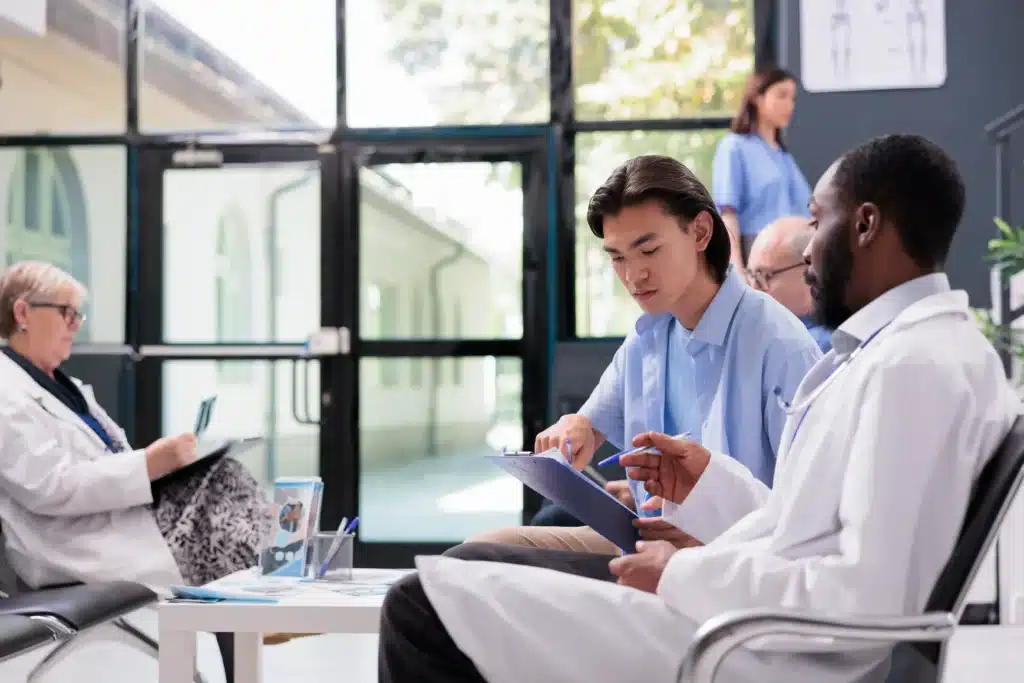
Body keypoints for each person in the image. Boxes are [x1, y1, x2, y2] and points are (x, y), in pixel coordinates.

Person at [376, 134, 1021, 683]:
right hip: (742, 606)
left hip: (755, 645)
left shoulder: (909, 368)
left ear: (866, 225)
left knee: (423, 606)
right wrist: (708, 483)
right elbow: (803, 527)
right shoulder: (903, 355)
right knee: (456, 586)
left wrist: (684, 573)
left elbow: (865, 597)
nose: (800, 255)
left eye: (815, 222)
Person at [464, 154, 823, 555]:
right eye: (618, 257)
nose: (634, 275)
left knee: (489, 560)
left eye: (648, 250)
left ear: (701, 232)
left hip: (732, 557)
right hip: (648, 540)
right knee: (479, 552)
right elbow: (587, 424)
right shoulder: (651, 336)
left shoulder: (779, 344)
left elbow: (811, 514)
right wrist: (574, 428)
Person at [0, 261, 269, 590]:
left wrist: (162, 466)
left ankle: (262, 596)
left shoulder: (60, 385)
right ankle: (263, 600)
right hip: (76, 543)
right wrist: (148, 463)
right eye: (66, 312)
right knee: (222, 486)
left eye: (78, 316)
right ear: (23, 313)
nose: (75, 325)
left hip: (114, 519)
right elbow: (49, 485)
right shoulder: (7, 391)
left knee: (223, 475)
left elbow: (108, 458)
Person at [713, 66, 812, 268]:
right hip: (759, 253)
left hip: (796, 254)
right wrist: (736, 270)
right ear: (757, 98)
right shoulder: (734, 147)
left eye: (792, 98)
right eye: (781, 95)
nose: (789, 105)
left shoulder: (783, 156)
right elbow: (728, 213)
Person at [746, 215, 833, 352]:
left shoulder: (818, 348)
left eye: (764, 276)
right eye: (750, 275)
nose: (753, 289)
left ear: (811, 271)